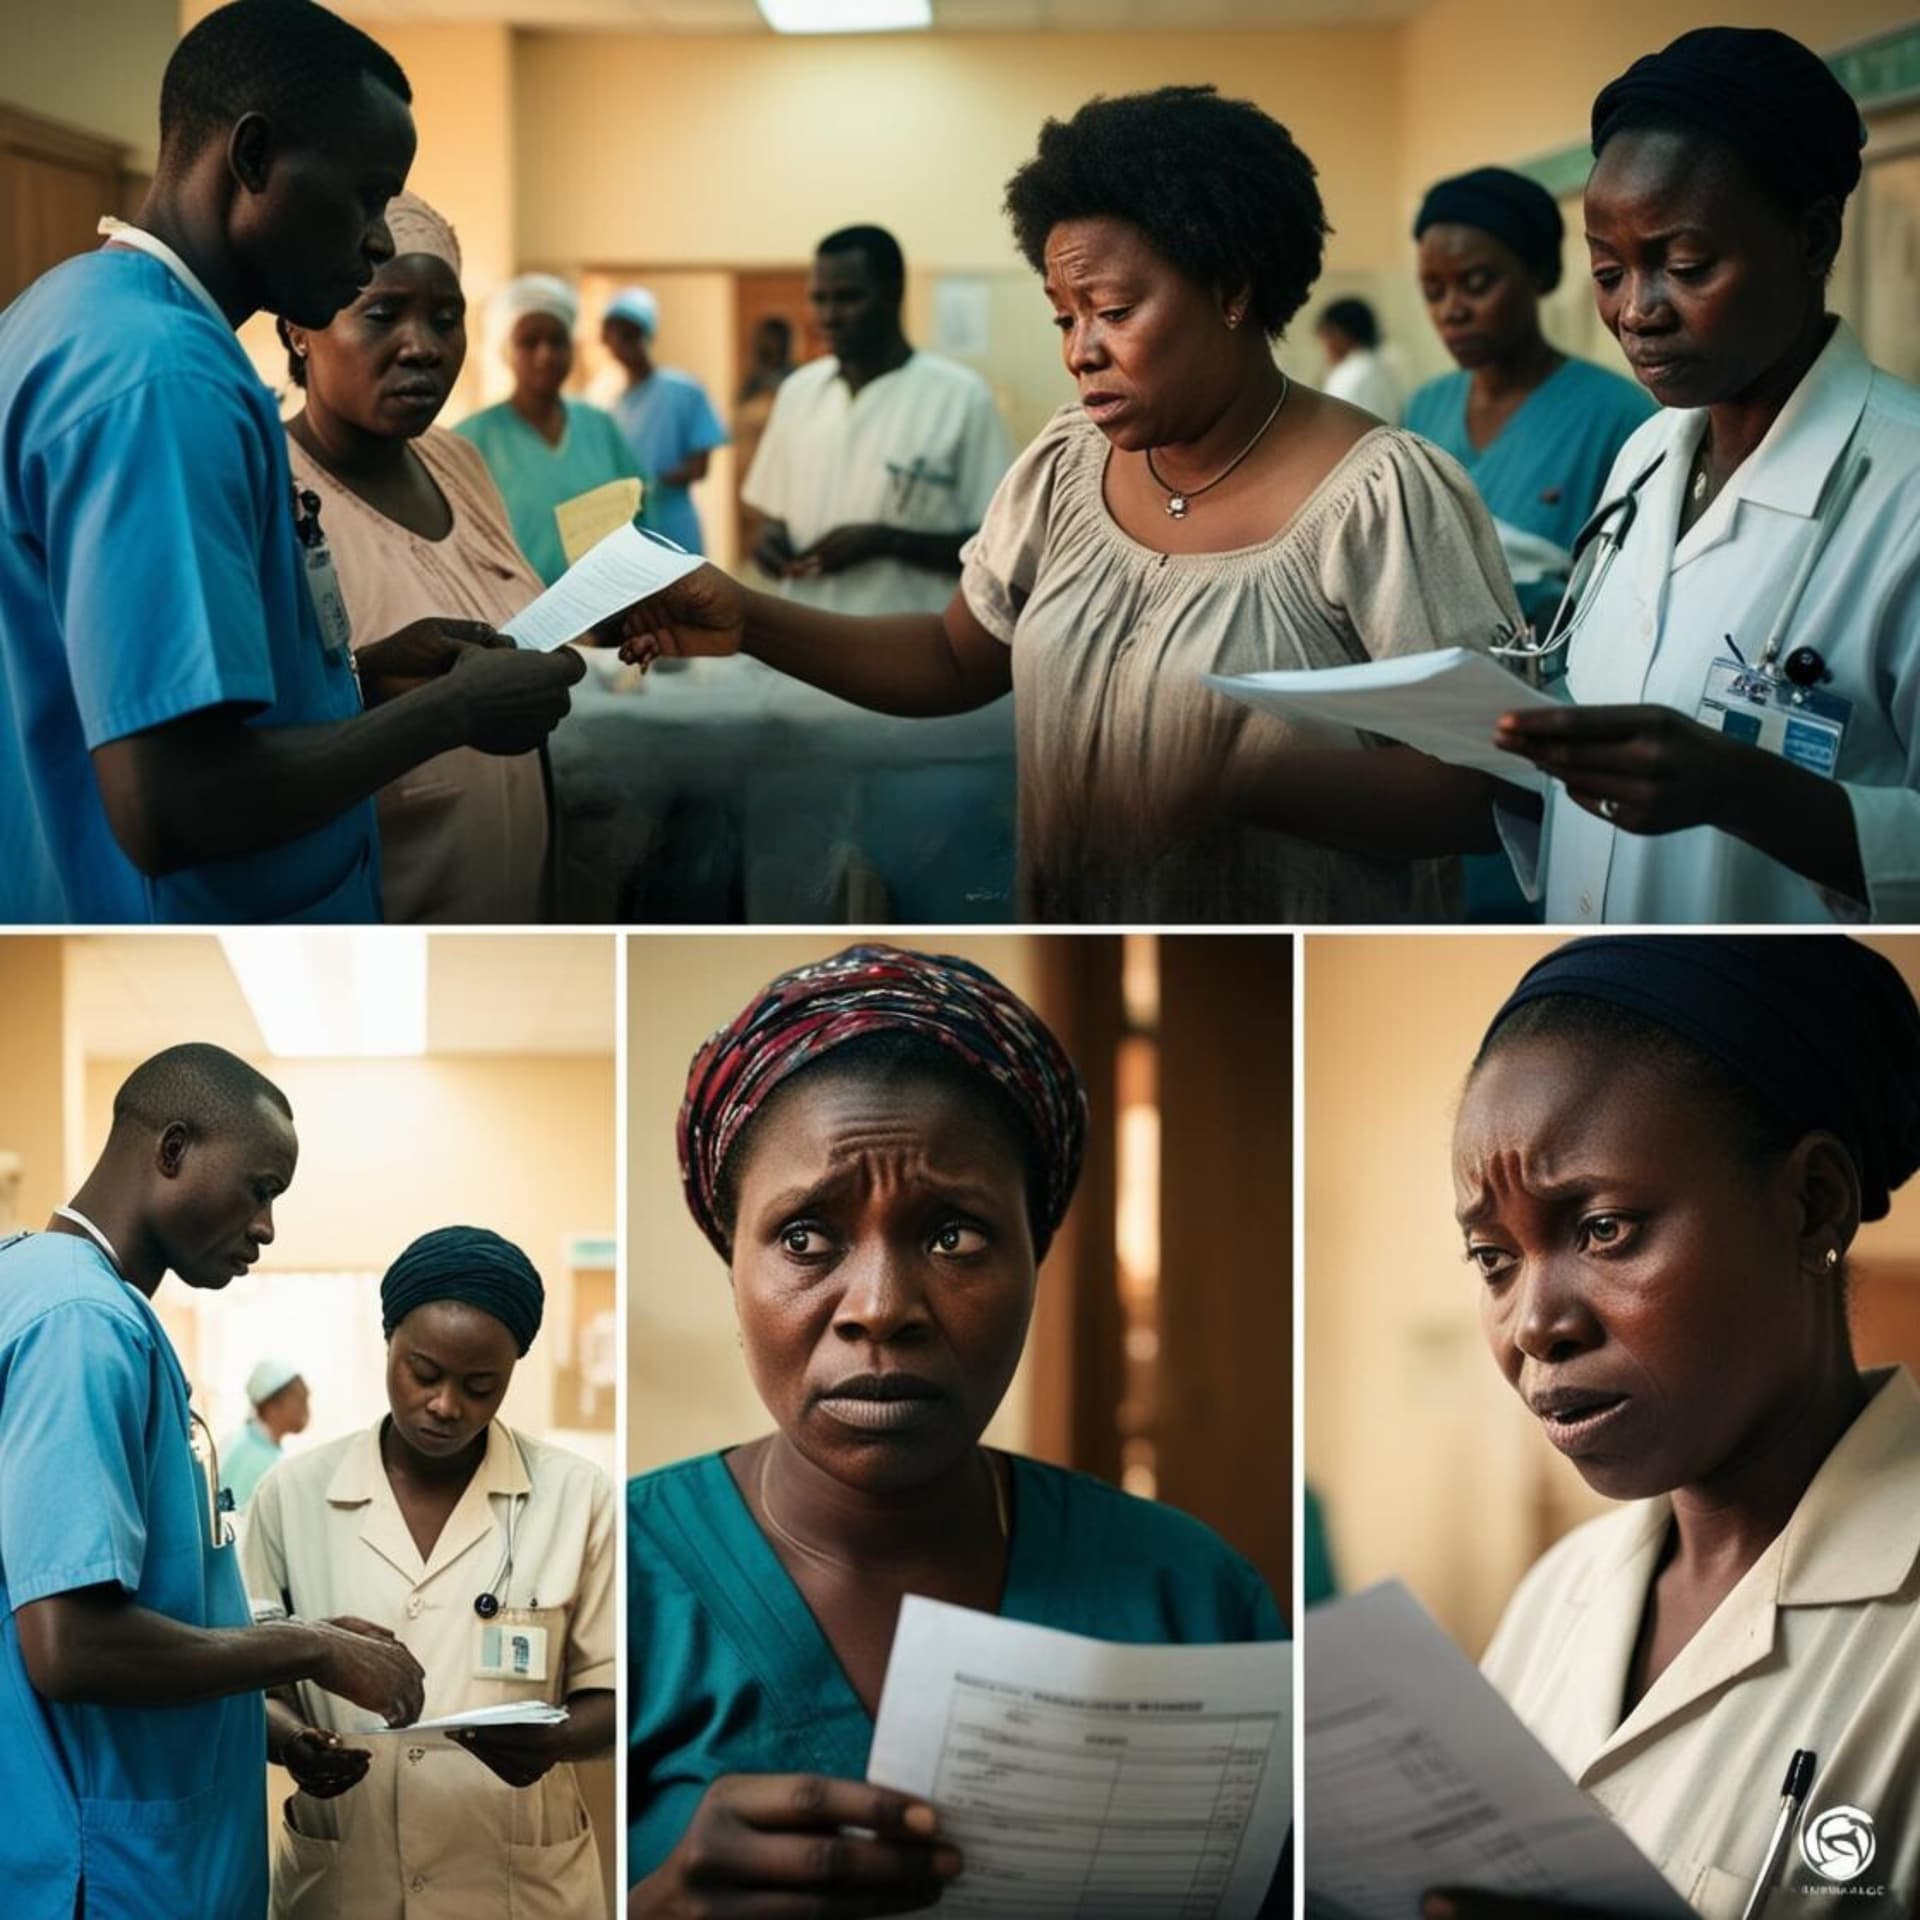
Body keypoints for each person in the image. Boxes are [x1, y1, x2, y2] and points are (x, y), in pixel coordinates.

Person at [616, 90, 1520, 924]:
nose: (1080, 352)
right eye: (1062, 317)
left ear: (1234, 289)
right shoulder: (1068, 464)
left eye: (1114, 311)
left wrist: (1244, 783)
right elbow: (952, 655)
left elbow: (1477, 789)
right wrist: (749, 619)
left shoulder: (1380, 496)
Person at [628, 944, 1286, 1914]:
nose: (882, 1307)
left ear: (1038, 1255)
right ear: (733, 1260)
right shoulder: (615, 1581)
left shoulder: (1194, 1599)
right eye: (807, 1238)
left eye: (954, 1236)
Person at [0, 0, 585, 925]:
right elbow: (173, 804)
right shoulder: (166, 380)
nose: (380, 239)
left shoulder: (74, 308)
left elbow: (129, 687)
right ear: (254, 157)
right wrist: (449, 717)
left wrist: (361, 676)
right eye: (364, 195)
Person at [1434, 936, 1920, 1917]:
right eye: (1493, 1259)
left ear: (1811, 1205)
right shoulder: (1555, 1600)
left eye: (1604, 1228)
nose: (1534, 1323)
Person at [1489, 28, 1920, 925]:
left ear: (1812, 238)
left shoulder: (1905, 488)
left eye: (1684, 268)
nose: (1637, 312)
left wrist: (1745, 792)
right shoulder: (1646, 454)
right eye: (1608, 272)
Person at [0, 1043, 427, 1919]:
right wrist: (311, 1649)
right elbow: (69, 1645)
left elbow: (159, 1613)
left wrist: (271, 1728)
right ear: (172, 1150)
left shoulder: (62, 1295)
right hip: (110, 1875)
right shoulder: (81, 1324)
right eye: (261, 1188)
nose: (267, 1227)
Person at [243, 1225, 615, 1918]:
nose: (447, 1406)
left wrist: (557, 1741)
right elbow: (245, 1684)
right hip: (347, 1881)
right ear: (388, 1343)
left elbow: (617, 1693)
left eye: (481, 1386)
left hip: (518, 1887)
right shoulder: (290, 1497)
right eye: (424, 1373)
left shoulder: (578, 1496)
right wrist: (294, 1743)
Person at [280, 192, 555, 923]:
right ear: (301, 328)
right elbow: (252, 748)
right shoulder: (266, 489)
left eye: (445, 318)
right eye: (382, 314)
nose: (423, 346)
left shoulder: (457, 462)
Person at [1406, 166, 1654, 632]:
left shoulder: (1621, 419)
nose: (1452, 310)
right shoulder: (1424, 408)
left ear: (1540, 273)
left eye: (1477, 283)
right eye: (1433, 291)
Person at [741, 224, 1013, 616]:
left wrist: (886, 542)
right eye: (819, 299)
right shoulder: (799, 392)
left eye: (848, 298)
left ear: (893, 293)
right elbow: (774, 513)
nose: (828, 316)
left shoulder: (961, 397)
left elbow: (999, 549)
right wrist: (769, 538)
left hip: (908, 646)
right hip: (803, 634)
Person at [457, 275, 641, 586]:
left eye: (557, 341)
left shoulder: (600, 427)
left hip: (603, 610)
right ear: (506, 349)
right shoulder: (471, 439)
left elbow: (641, 513)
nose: (545, 354)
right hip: (509, 615)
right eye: (529, 343)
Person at [602, 286, 728, 557]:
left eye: (630, 333)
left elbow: (699, 467)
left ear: (646, 334)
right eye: (614, 335)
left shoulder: (684, 391)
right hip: (631, 531)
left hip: (674, 524)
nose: (622, 343)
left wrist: (650, 485)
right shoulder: (615, 406)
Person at [223, 1356, 312, 1509]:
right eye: (300, 1398)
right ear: (273, 1406)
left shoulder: (260, 1448)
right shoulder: (252, 1458)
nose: (306, 1409)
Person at [1315, 297, 1402, 424]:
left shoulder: (1346, 375)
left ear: (1340, 334)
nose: (1324, 348)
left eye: (1325, 337)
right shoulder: (1385, 367)